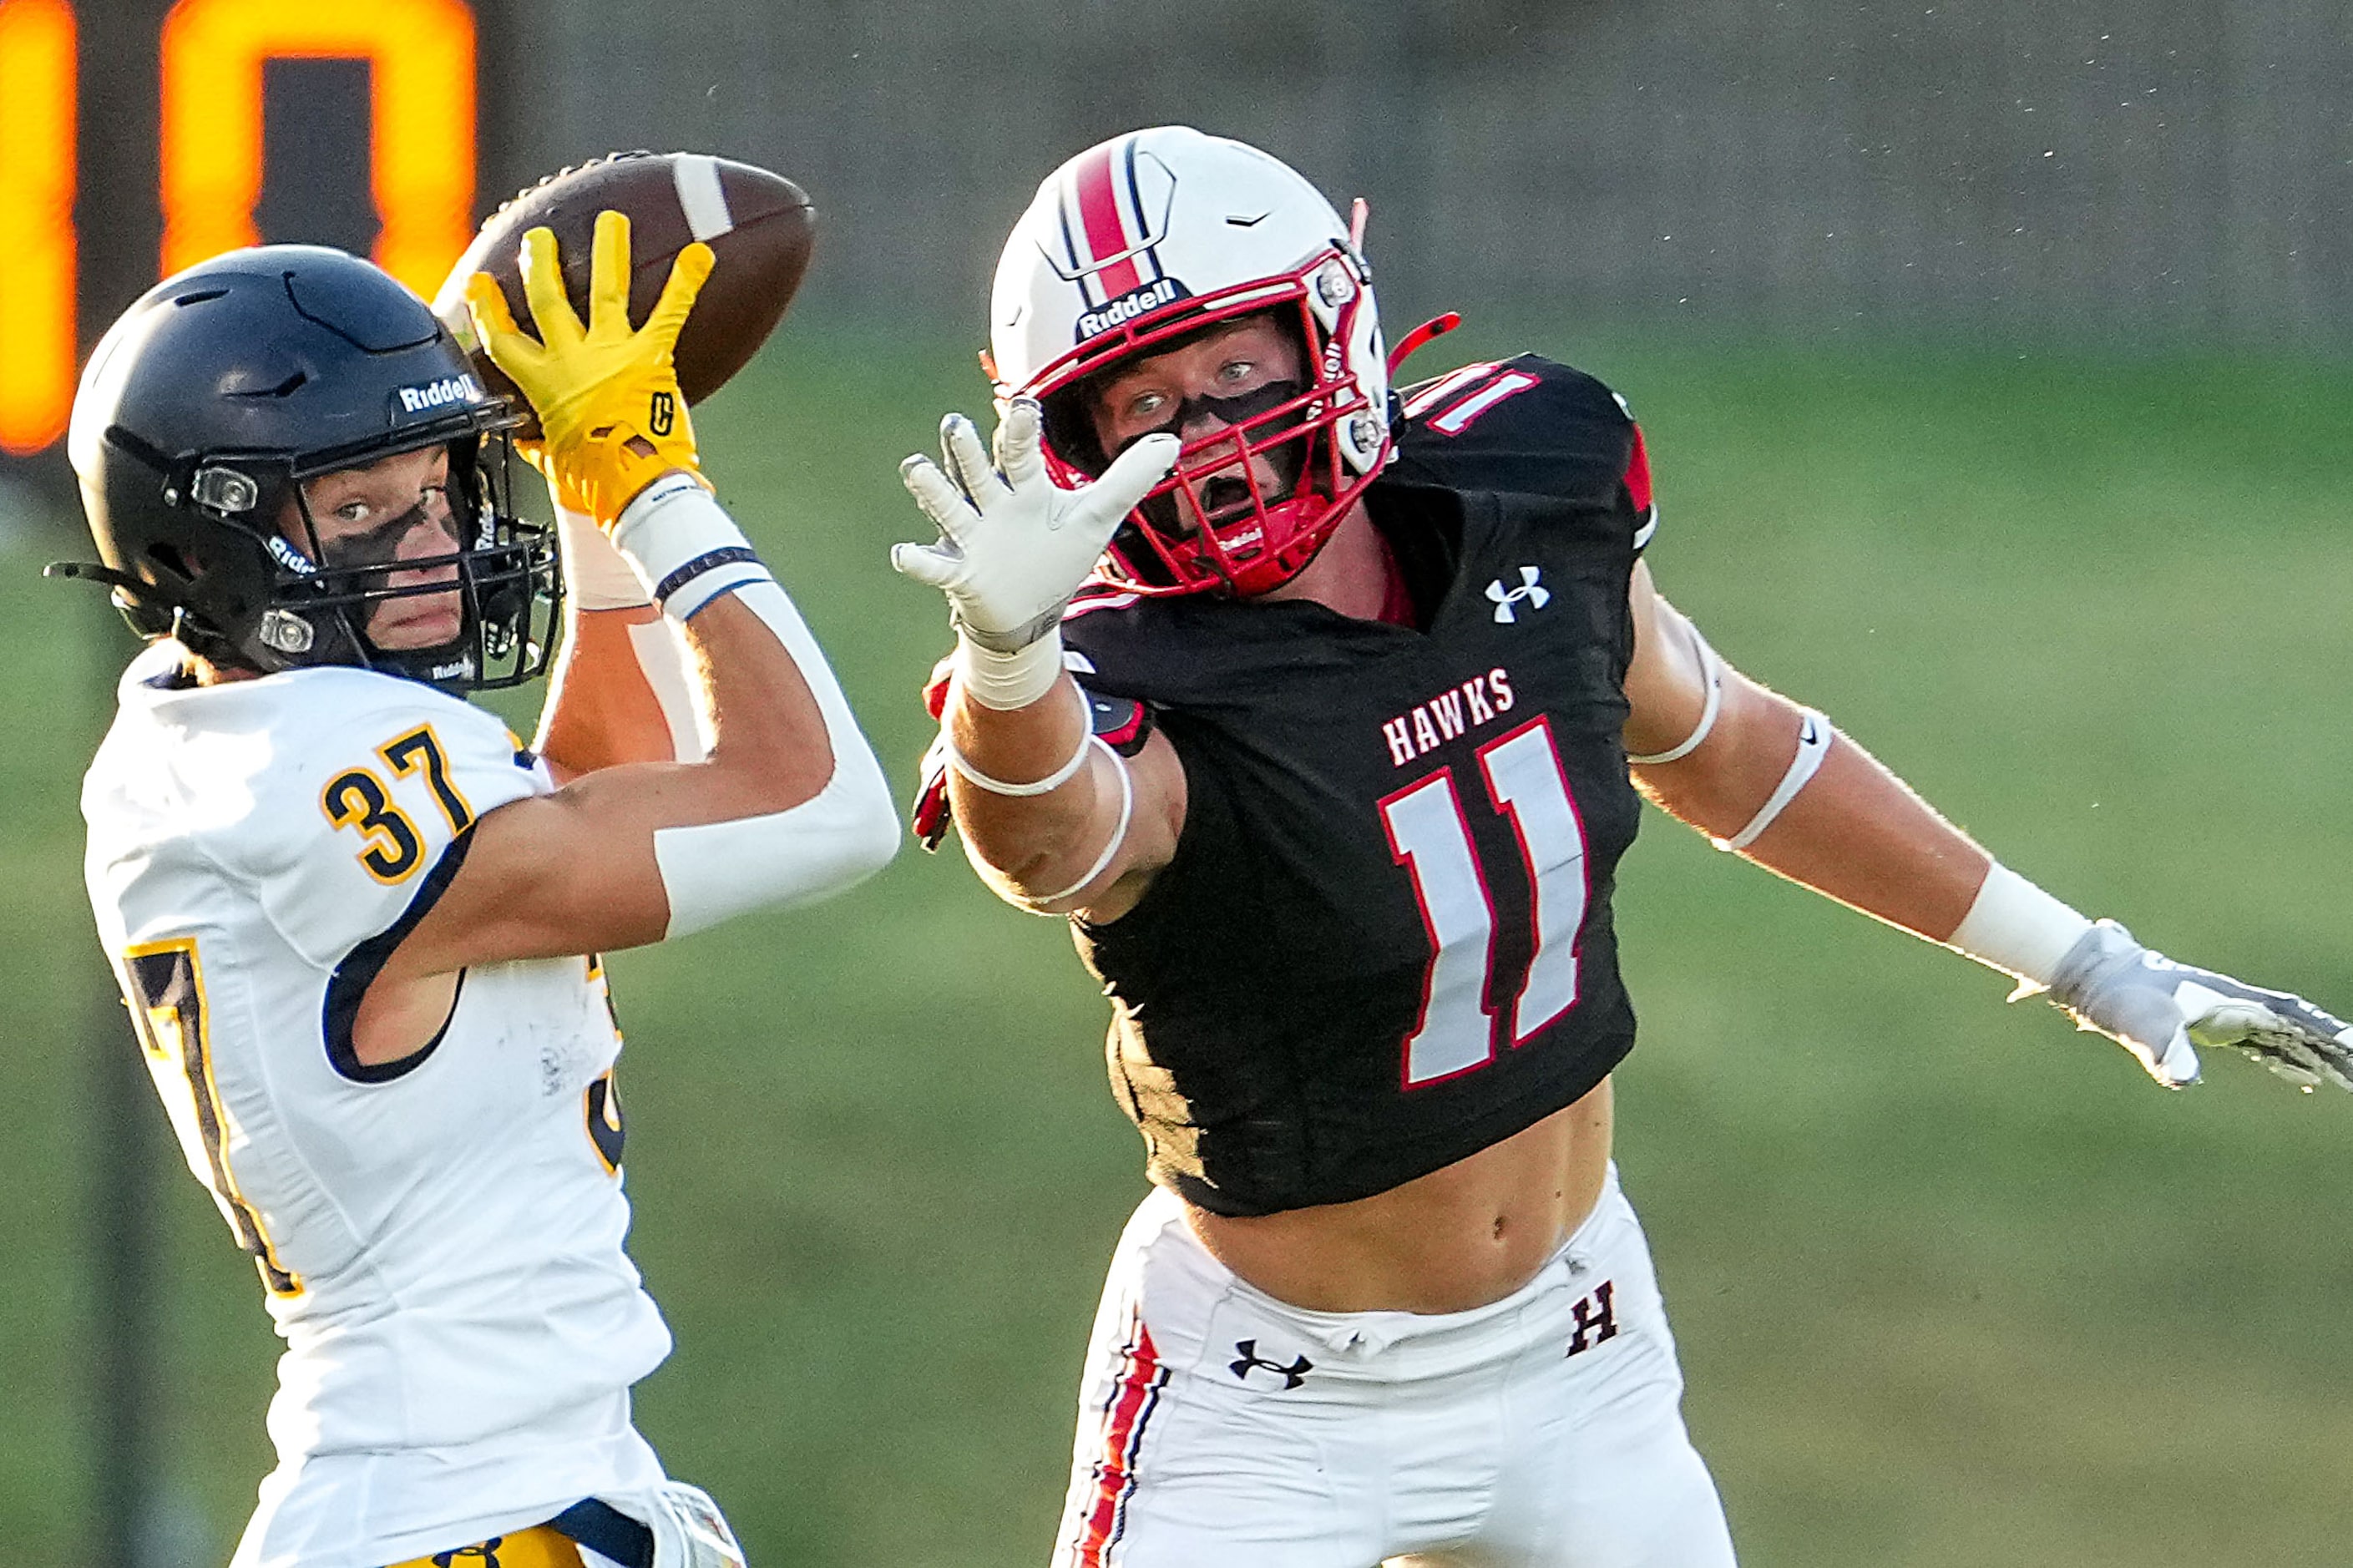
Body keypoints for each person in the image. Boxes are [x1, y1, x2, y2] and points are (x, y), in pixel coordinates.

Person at [891, 125, 2353, 1568]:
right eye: (1141, 405)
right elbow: (1051, 845)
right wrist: (1006, 662)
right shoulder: (1097, 674)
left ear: (1327, 330)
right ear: (1062, 434)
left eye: (1232, 371)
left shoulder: (1526, 478)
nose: (1204, 442)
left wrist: (2081, 958)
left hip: (1577, 1348)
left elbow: (1723, 747)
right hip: (1265, 1402)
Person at [63, 214, 895, 1567]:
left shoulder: (217, 735)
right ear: (200, 536)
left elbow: (576, 796)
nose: (430, 539)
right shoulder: (304, 769)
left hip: (491, 1486)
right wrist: (654, 484)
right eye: (355, 508)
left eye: (435, 487)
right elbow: (822, 803)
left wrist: (579, 487)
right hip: (459, 1512)